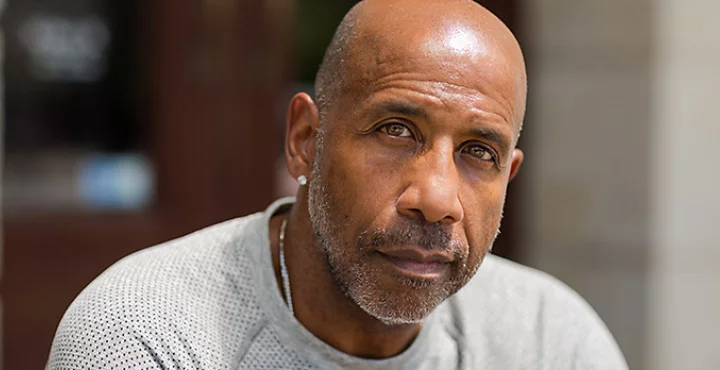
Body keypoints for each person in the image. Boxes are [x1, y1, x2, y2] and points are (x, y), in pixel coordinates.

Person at [46, 0, 628, 368]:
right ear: (305, 140)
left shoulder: (551, 340)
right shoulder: (144, 333)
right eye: (396, 130)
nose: (436, 198)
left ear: (510, 179)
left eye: (479, 152)